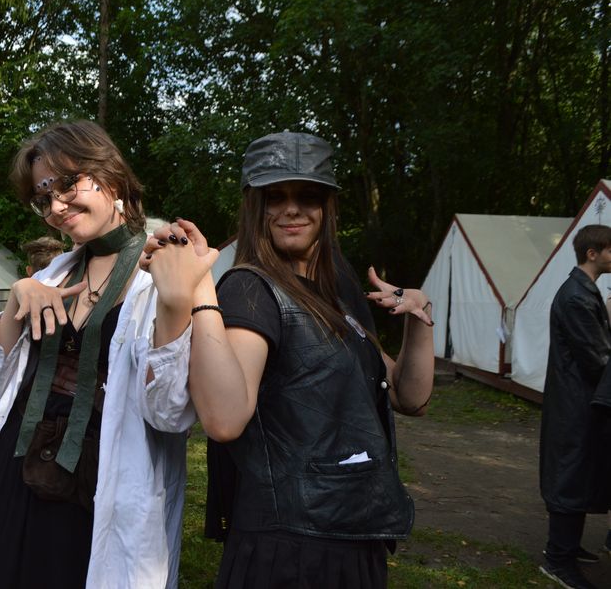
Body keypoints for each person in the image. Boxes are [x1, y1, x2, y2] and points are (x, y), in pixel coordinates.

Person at [142, 131, 435, 588]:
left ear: (328, 207)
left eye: (307, 196)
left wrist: (420, 316)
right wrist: (201, 289)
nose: (292, 209)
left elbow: (408, 395)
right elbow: (223, 420)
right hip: (290, 550)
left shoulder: (337, 289)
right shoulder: (251, 289)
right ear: (254, 206)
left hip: (354, 533)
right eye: (275, 197)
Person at [0, 120, 201, 588]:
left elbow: (170, 412)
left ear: (110, 175)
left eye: (67, 184)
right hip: (13, 471)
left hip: (100, 482)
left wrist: (176, 305)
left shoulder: (162, 269)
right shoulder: (51, 274)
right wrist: (17, 298)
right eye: (43, 198)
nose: (56, 207)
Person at [539, 224, 611, 589]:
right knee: (570, 475)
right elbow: (598, 358)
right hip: (575, 403)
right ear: (592, 253)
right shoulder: (576, 297)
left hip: (580, 400)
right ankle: (558, 559)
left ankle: (568, 547)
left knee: (578, 475)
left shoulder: (584, 291)